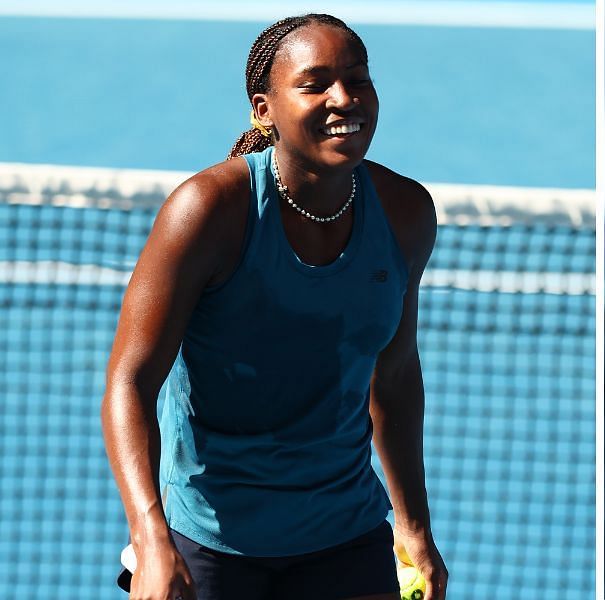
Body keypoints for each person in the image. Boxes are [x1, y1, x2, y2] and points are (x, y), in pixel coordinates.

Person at [100, 14, 447, 600]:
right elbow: (130, 381)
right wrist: (152, 538)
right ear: (264, 110)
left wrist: (414, 527)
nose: (344, 99)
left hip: (346, 533)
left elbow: (393, 374)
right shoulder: (207, 211)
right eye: (315, 84)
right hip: (210, 542)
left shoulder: (406, 212)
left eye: (357, 79)